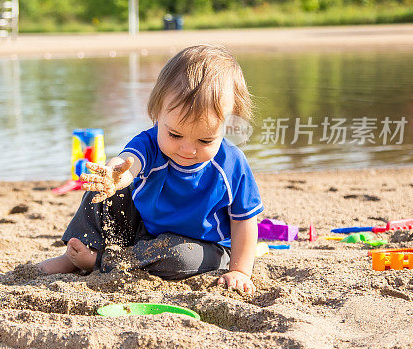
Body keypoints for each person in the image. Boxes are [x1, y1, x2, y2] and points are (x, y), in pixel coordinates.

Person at [37, 45, 263, 293]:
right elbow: (129, 162)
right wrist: (116, 175)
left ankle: (101, 261)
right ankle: (74, 253)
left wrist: (240, 270)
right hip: (144, 230)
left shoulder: (232, 164)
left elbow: (244, 221)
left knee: (180, 257)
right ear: (157, 114)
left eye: (205, 140)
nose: (187, 149)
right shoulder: (150, 142)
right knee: (102, 189)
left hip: (202, 246)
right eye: (175, 134)